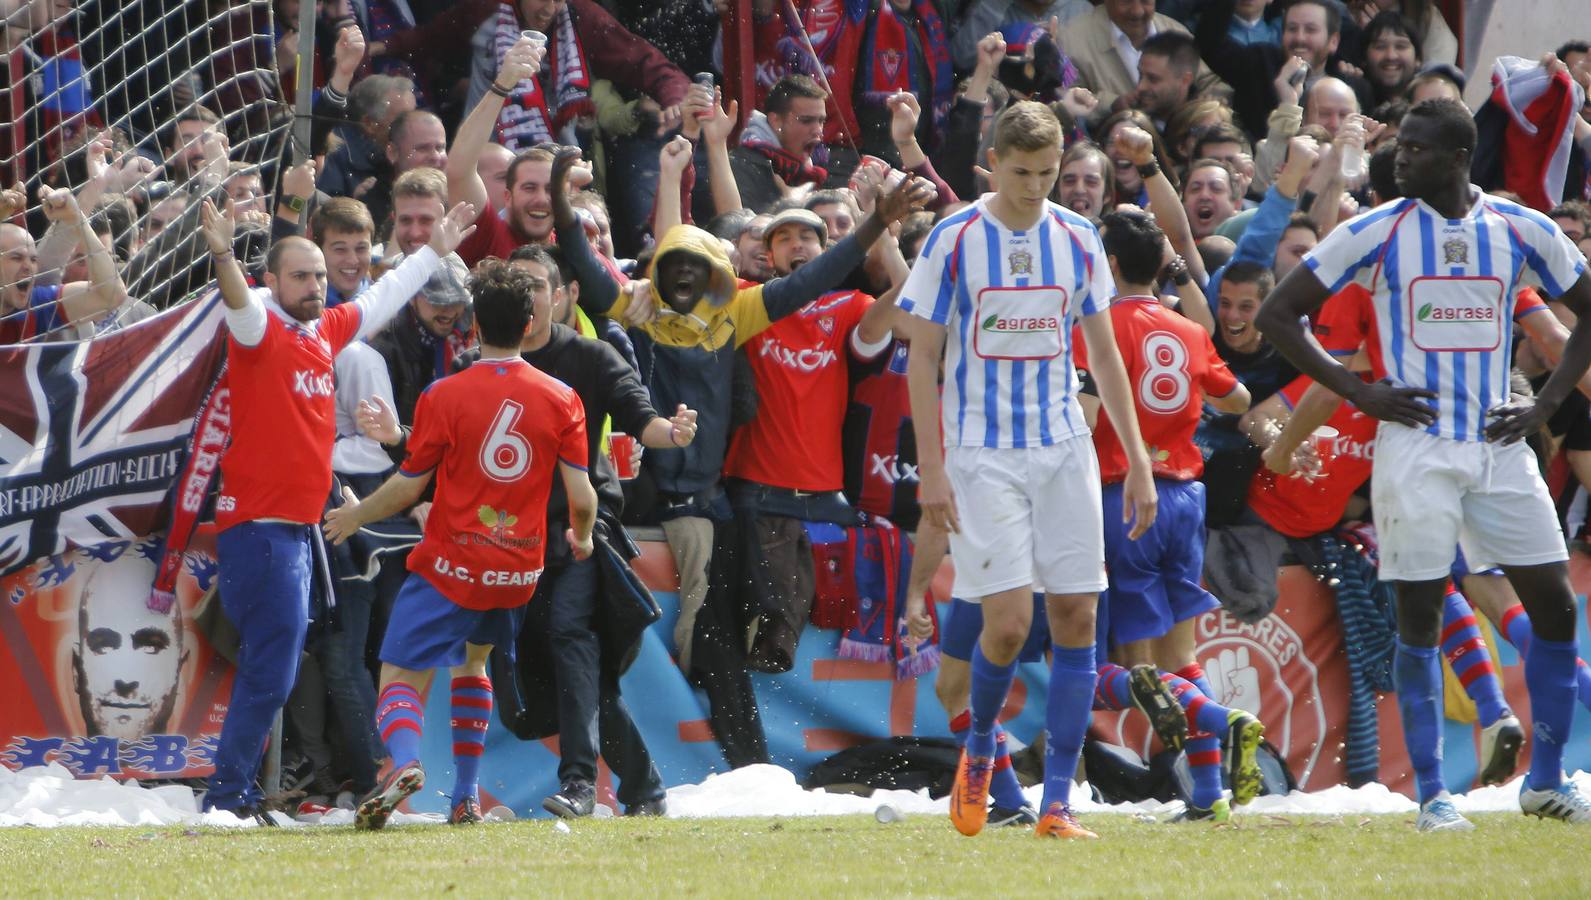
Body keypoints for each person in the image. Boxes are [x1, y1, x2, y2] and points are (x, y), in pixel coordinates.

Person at [1256, 98, 1591, 830]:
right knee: (1417, 614)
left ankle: (1543, 780)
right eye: (1399, 146)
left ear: (1455, 158)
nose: (1398, 158)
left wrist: (1544, 403)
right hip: (1415, 445)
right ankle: (1433, 797)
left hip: (1500, 442)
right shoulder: (1375, 232)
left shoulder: (1516, 228)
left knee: (1557, 607)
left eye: (1413, 149)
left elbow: (1585, 304)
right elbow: (1277, 314)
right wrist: (1357, 392)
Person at [901, 100, 1156, 840]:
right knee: (1008, 627)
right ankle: (979, 747)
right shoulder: (954, 238)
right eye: (1020, 173)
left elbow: (1103, 355)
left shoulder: (1077, 237)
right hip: (981, 455)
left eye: (1047, 174)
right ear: (992, 163)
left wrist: (1135, 458)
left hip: (1064, 449)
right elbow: (921, 355)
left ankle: (1056, 805)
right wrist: (932, 467)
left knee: (1077, 619)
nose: (1035, 188)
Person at [193, 191, 474, 824]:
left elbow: (383, 295)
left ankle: (236, 792)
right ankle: (229, 796)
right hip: (261, 530)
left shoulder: (326, 330)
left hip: (293, 532)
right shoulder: (261, 329)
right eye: (302, 275)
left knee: (277, 668)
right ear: (272, 281)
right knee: (272, 668)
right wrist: (221, 254)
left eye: (321, 274)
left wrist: (434, 251)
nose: (317, 285)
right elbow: (238, 304)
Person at [324, 259, 598, 829]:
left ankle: (401, 765)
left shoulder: (442, 395)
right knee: (473, 663)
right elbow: (582, 492)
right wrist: (584, 535)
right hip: (517, 570)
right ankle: (466, 795)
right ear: (529, 324)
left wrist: (354, 516)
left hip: (452, 562)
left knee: (398, 670)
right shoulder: (562, 398)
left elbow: (406, 486)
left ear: (473, 327)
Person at [1079, 208, 1262, 823]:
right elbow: (1234, 396)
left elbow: (1086, 412)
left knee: (1141, 672)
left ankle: (1226, 721)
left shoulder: (1097, 326)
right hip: (1186, 496)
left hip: (1124, 496)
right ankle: (1209, 795)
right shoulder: (1184, 328)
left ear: (1108, 264)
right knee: (1183, 659)